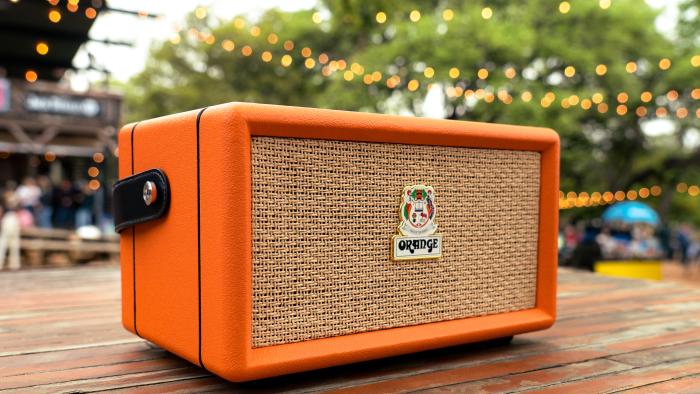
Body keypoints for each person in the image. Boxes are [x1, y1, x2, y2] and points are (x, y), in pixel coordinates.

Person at [0, 193, 21, 270]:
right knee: (3, 244)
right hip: (7, 220)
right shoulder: (4, 205)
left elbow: (17, 208)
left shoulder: (16, 205)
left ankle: (14, 265)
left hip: (13, 220)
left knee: (14, 244)